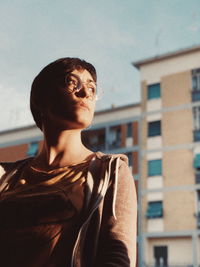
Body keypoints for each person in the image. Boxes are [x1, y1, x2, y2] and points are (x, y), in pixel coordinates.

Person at [0, 58, 137, 267]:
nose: (85, 93)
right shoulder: (5, 176)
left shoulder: (110, 171)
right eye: (71, 82)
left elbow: (117, 257)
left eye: (92, 88)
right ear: (41, 98)